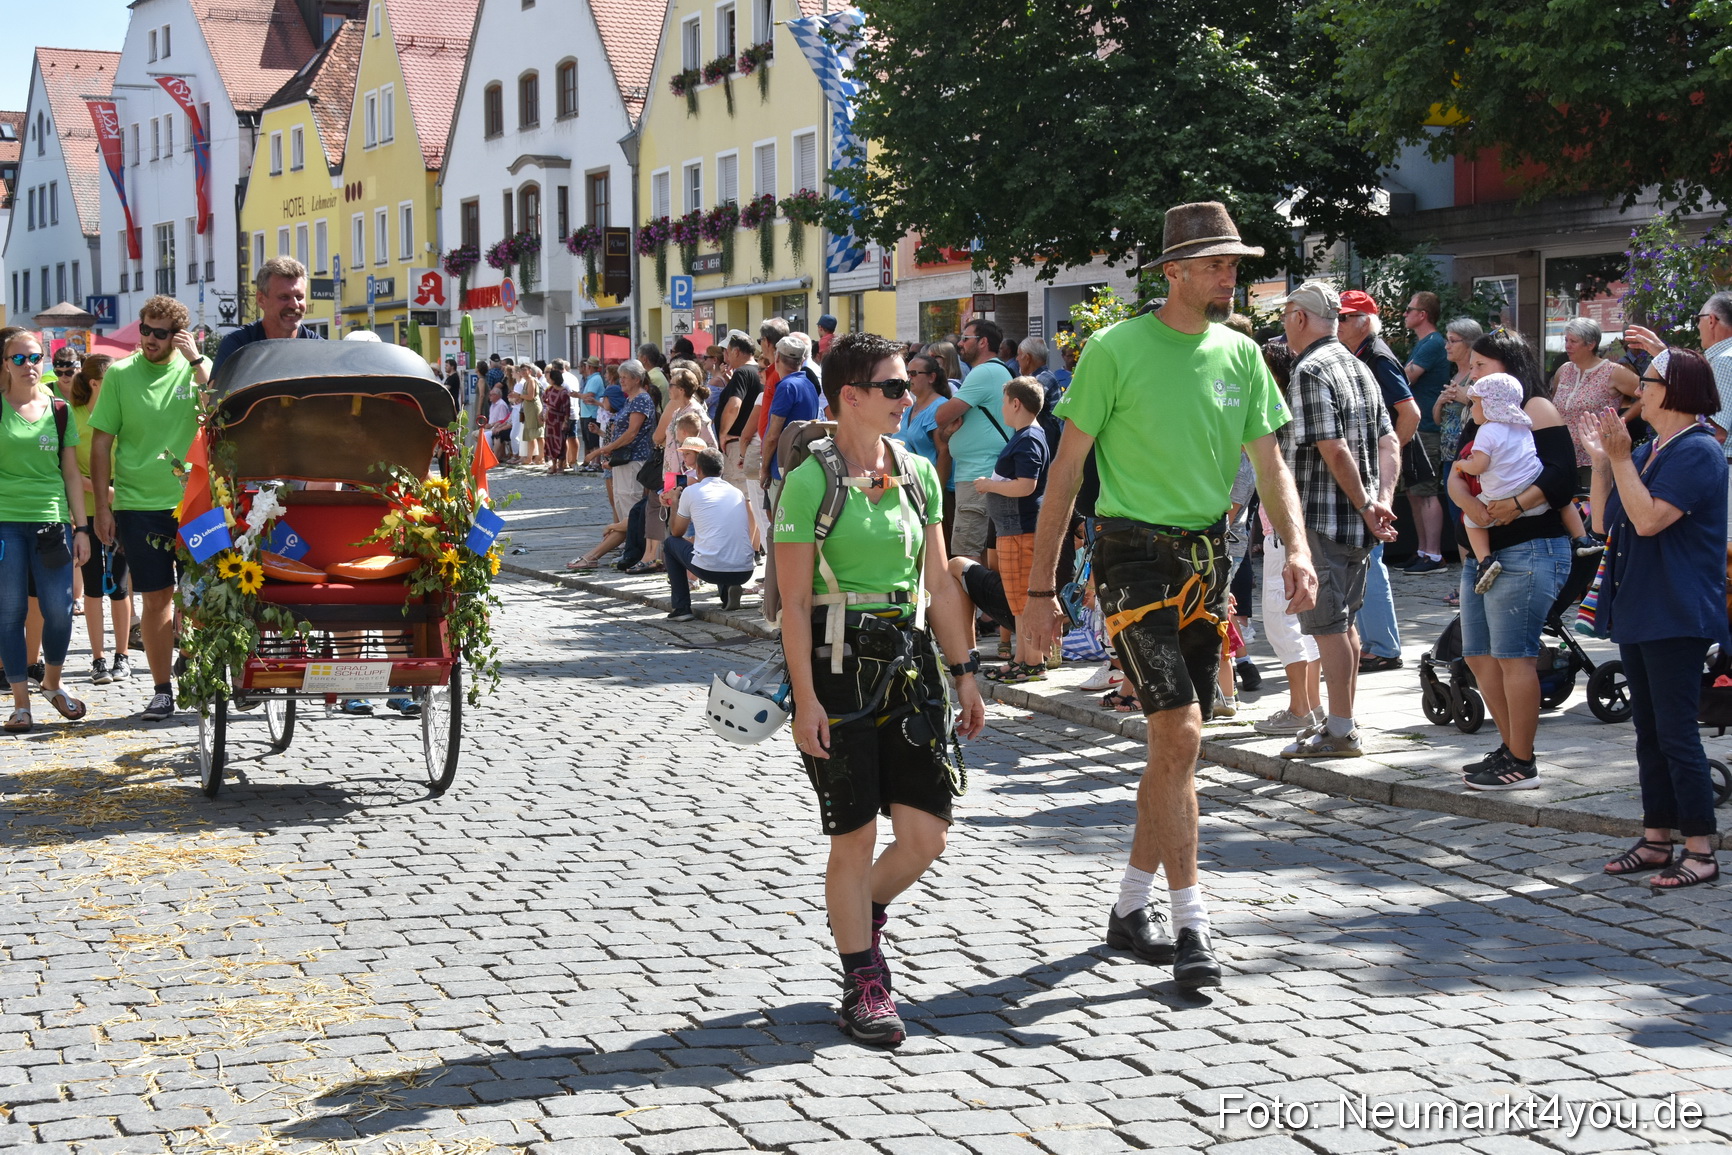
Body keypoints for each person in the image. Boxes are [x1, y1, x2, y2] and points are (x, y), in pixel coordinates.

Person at [1020, 201, 1318, 989]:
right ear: (1176, 272)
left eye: (1234, 263)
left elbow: (1270, 461)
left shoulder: (1242, 353)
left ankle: (1128, 907)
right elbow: (1065, 474)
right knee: (1183, 730)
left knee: (1174, 746)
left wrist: (1296, 545)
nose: (1231, 274)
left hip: (1206, 558)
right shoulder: (1114, 351)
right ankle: (1192, 925)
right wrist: (1038, 590)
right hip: (1130, 554)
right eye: (1218, 263)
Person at [774, 330, 986, 1045]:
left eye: (908, 385)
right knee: (855, 835)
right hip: (838, 667)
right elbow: (794, 605)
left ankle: (858, 916)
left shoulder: (918, 471)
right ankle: (862, 977)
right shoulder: (811, 480)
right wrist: (804, 699)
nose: (907, 397)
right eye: (893, 388)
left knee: (927, 833)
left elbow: (939, 581)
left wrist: (966, 675)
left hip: (910, 661)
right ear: (850, 397)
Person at [1576, 349, 1726, 887]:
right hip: (1643, 607)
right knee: (1648, 732)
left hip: (1677, 609)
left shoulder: (1699, 451)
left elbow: (1647, 521)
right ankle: (1658, 837)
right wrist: (1602, 462)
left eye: (1648, 380)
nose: (1638, 388)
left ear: (1677, 390)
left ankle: (1702, 850)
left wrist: (1619, 460)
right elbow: (1604, 521)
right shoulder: (1653, 449)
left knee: (1677, 733)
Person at [1275, 280, 1399, 759]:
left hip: (1324, 520)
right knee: (1343, 626)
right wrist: (1379, 499)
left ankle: (1342, 731)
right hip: (1354, 522)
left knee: (1330, 628)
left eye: (1286, 316)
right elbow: (1389, 441)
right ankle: (1339, 721)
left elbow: (1333, 448)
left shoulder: (1311, 370)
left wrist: (1371, 504)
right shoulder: (1358, 365)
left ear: (1300, 318)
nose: (1284, 326)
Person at [1454, 327, 1576, 791]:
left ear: (1509, 370)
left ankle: (1522, 761)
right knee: (1479, 654)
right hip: (1482, 553)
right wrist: (1461, 497)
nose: (1472, 373)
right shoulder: (1482, 412)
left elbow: (1562, 477)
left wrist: (1517, 504)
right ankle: (1510, 748)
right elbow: (1460, 469)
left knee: (1512, 655)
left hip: (1529, 547)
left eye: (1481, 366)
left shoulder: (1535, 409)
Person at [90, 296, 209, 723]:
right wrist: (103, 506)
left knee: (204, 595)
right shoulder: (120, 374)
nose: (150, 340)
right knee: (156, 596)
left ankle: (192, 660)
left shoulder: (195, 369)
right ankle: (161, 690)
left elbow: (219, 410)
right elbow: (100, 441)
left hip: (198, 502)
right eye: (145, 330)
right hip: (139, 504)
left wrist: (196, 360)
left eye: (161, 333)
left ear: (178, 335)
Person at [1, 330, 92, 731]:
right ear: (5, 364)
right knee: (10, 613)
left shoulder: (59, 409)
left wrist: (82, 528)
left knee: (59, 610)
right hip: (5, 523)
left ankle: (51, 684)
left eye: (34, 358)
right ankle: (21, 703)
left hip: (51, 522)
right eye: (18, 359)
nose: (28, 366)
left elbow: (71, 473)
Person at [1337, 291, 1418, 675]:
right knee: (1368, 555)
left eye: (1344, 317)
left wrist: (1390, 455)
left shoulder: (1378, 356)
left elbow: (1410, 412)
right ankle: (1378, 644)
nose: (1337, 323)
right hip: (1370, 468)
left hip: (1375, 473)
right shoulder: (1361, 353)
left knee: (1371, 557)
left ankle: (1383, 646)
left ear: (1364, 321)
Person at [1251, 340, 1321, 737]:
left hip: (1283, 531)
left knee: (1283, 621)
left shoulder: (1275, 419)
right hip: (1289, 530)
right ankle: (1310, 706)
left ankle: (1300, 708)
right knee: (1302, 621)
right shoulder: (1290, 415)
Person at [973, 377, 1048, 683]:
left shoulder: (1029, 437)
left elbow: (1027, 485)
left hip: (1020, 530)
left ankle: (1032, 663)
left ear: (1016, 403)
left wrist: (988, 485)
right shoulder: (1027, 434)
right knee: (1018, 599)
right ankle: (1022, 659)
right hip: (1014, 529)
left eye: (1004, 402)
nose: (1002, 408)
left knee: (1023, 598)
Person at [1450, 373, 1547, 592]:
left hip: (1500, 494)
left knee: (1471, 522)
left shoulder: (1486, 430)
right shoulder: (1522, 424)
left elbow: (1479, 466)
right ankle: (1581, 537)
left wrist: (1462, 465)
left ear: (1490, 404)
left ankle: (1485, 561)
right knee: (1565, 502)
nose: (1472, 407)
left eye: (1475, 402)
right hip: (1532, 484)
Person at [67, 354, 132, 684]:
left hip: (123, 508)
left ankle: (122, 656)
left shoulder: (122, 412)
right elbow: (67, 471)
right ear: (95, 383)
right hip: (86, 511)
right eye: (113, 378)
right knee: (92, 587)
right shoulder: (71, 416)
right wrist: (103, 492)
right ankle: (98, 660)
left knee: (119, 587)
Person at [933, 319, 1014, 561]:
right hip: (984, 474)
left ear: (983, 342)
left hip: (978, 476)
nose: (959, 344)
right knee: (984, 557)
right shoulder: (999, 370)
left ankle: (974, 601)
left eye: (965, 338)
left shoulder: (985, 371)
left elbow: (941, 415)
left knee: (966, 558)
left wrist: (947, 427)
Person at [1551, 317, 1643, 497]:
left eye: (1573, 341)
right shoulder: (1564, 371)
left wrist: (1621, 420)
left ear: (1590, 344)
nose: (1567, 346)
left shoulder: (1613, 372)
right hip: (1563, 456)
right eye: (1566, 340)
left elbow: (1647, 394)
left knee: (1594, 511)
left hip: (1595, 458)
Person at [665, 446, 755, 619]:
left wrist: (675, 501)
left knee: (670, 544)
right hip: (744, 570)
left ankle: (681, 608)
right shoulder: (736, 493)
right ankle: (728, 592)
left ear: (698, 469)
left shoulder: (691, 491)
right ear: (722, 470)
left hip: (710, 570)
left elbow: (676, 532)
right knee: (719, 541)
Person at [1433, 318, 1486, 600]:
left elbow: (1488, 410)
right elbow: (1436, 418)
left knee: (1469, 520)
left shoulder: (1478, 379)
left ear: (1469, 343)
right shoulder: (1454, 377)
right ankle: (1469, 582)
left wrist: (1465, 397)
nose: (1447, 346)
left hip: (1471, 460)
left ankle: (1475, 582)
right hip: (1449, 458)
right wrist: (1442, 401)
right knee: (1458, 522)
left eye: (1453, 340)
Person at [1401, 292, 1452, 573]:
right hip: (1418, 427)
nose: (1405, 314)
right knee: (1414, 491)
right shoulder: (1426, 342)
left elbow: (1407, 375)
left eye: (1409, 310)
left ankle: (1433, 555)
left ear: (1423, 315)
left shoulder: (1432, 343)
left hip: (1429, 428)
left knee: (1427, 491)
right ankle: (1422, 550)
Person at [212, 257, 321, 372]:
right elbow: (217, 389)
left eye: (299, 297)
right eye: (284, 297)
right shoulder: (238, 345)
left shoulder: (317, 348)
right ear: (261, 299)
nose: (294, 305)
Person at [715, 330, 766, 549]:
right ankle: (755, 547)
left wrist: (723, 433)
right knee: (751, 496)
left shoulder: (742, 373)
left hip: (738, 443)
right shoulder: (760, 372)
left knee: (743, 498)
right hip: (753, 442)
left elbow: (735, 405)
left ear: (736, 351)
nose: (724, 355)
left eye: (726, 351)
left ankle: (747, 548)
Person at [760, 333, 822, 495]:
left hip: (783, 468)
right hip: (804, 465)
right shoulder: (808, 383)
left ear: (777, 357)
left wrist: (765, 468)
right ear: (802, 361)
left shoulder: (786, 387)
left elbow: (773, 435)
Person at [897, 353, 949, 473]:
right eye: (907, 373)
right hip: (908, 481)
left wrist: (938, 489)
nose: (909, 378)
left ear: (931, 377)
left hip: (928, 482)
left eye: (914, 373)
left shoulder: (940, 407)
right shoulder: (910, 407)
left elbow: (944, 452)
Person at [541, 365, 571, 474]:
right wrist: (543, 413)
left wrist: (566, 422)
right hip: (550, 419)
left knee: (561, 442)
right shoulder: (550, 390)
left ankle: (561, 465)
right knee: (550, 442)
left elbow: (567, 409)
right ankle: (553, 465)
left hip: (560, 419)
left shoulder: (564, 392)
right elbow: (544, 400)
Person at [517, 363, 544, 466]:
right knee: (530, 435)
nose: (523, 372)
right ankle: (529, 457)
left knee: (538, 434)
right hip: (528, 411)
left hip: (534, 409)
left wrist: (519, 395)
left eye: (525, 370)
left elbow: (530, 396)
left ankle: (541, 457)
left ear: (530, 371)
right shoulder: (526, 382)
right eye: (521, 370)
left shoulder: (532, 381)